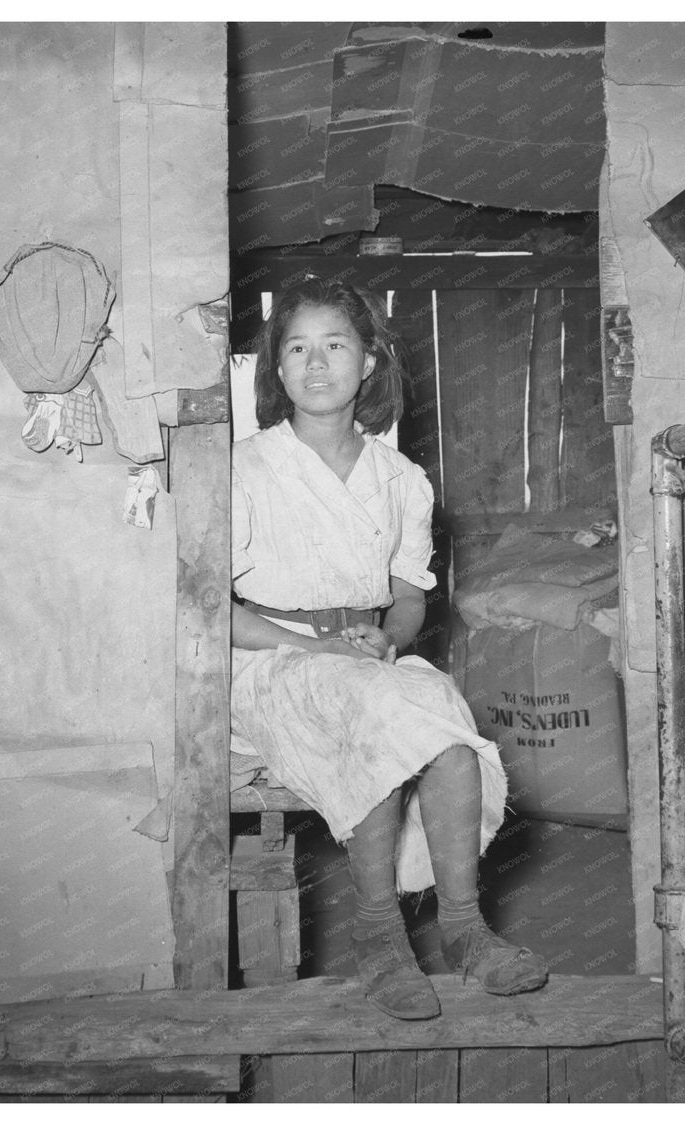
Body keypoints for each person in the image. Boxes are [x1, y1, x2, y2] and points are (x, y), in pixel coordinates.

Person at [230, 277, 548, 1020]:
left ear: (368, 362)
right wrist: (315, 650)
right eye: (297, 348)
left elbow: (409, 598)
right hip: (266, 664)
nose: (316, 364)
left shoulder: (400, 480)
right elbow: (219, 613)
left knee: (441, 712)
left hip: (362, 657)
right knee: (386, 705)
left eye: (335, 345)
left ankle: (464, 930)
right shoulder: (246, 468)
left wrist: (390, 637)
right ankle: (379, 934)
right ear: (277, 369)